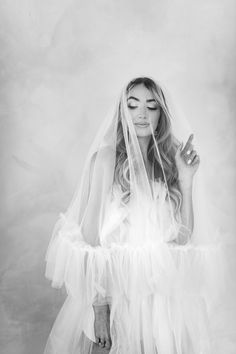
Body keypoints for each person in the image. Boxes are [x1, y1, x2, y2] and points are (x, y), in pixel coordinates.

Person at [44, 77, 227, 354]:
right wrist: (100, 307)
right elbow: (89, 239)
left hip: (162, 305)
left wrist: (186, 182)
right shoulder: (106, 160)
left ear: (161, 115)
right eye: (133, 105)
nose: (141, 114)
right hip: (117, 297)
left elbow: (181, 242)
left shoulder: (169, 165)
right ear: (123, 111)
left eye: (151, 106)